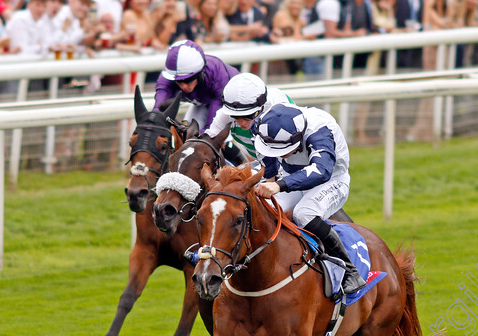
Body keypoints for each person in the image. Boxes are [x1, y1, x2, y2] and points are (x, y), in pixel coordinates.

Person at [249, 103, 368, 295]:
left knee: (304, 213)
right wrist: (270, 178)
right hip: (289, 177)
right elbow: (267, 153)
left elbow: (321, 171)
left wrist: (278, 185)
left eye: (282, 151)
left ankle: (350, 270)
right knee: (262, 208)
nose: (278, 155)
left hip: (330, 180)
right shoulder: (264, 124)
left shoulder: (320, 130)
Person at [206, 72, 293, 164]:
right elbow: (208, 143)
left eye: (249, 116)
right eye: (236, 116)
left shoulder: (279, 107)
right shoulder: (223, 115)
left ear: (262, 105)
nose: (242, 123)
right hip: (255, 157)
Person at [153, 39, 239, 133]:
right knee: (187, 133)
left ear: (200, 73)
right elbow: (157, 113)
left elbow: (211, 130)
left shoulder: (218, 76)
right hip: (203, 101)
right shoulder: (167, 78)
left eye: (188, 80)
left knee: (212, 136)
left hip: (233, 102)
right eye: (178, 81)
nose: (184, 86)